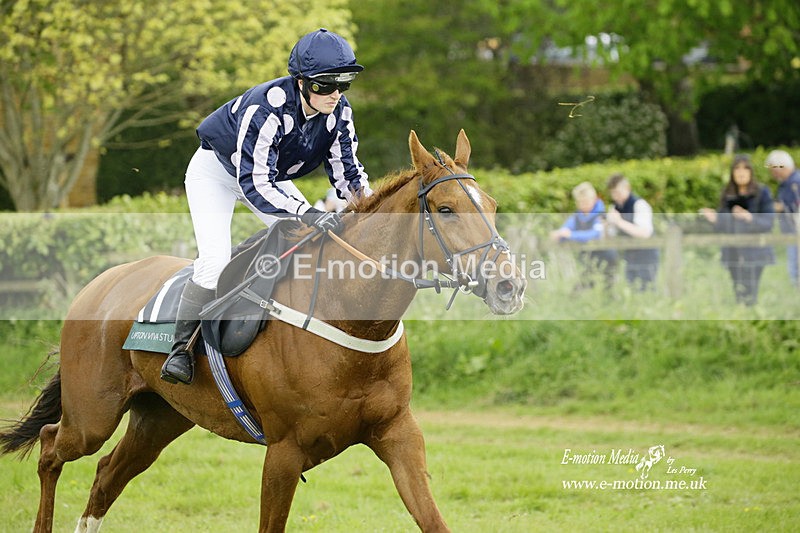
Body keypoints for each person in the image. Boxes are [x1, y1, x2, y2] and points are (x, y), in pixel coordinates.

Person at [161, 28, 372, 385]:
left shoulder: (339, 113)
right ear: (301, 82)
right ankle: (181, 350)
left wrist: (377, 215)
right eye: (325, 85)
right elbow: (254, 183)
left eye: (343, 85)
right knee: (214, 261)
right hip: (217, 173)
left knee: (312, 242)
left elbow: (349, 175)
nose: (335, 94)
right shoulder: (267, 107)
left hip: (268, 177)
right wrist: (307, 213)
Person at [700, 154, 775, 306]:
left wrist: (749, 218)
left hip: (755, 251)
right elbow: (723, 226)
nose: (741, 173)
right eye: (737, 169)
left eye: (745, 168)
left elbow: (768, 222)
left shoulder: (762, 193)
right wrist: (715, 219)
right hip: (732, 251)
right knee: (738, 290)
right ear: (732, 172)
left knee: (751, 290)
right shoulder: (728, 193)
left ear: (751, 172)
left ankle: (752, 314)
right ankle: (741, 314)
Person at [550, 181, 617, 292]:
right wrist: (559, 234)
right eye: (580, 202)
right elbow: (565, 229)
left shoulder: (602, 216)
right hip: (589, 260)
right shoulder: (577, 216)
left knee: (608, 289)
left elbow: (595, 234)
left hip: (606, 259)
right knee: (582, 287)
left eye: (586, 202)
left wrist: (571, 235)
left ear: (594, 199)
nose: (583, 205)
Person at [605, 174, 659, 291]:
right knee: (632, 289)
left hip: (646, 256)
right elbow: (611, 235)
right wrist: (607, 226)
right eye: (613, 193)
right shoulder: (614, 208)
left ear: (627, 188)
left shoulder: (640, 205)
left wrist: (619, 222)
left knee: (647, 290)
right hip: (629, 256)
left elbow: (644, 233)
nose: (615, 197)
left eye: (618, 192)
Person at [765, 150, 800, 286]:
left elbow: (794, 205)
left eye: (773, 170)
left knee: (795, 265)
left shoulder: (796, 182)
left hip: (796, 231)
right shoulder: (787, 182)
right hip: (791, 231)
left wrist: (778, 207)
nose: (773, 174)